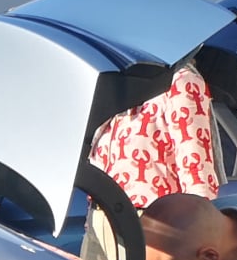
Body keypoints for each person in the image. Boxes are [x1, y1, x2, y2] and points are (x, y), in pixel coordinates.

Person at [87, 64, 215, 210]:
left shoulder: (179, 81)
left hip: (153, 216)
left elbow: (196, 169)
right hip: (101, 214)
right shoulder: (115, 86)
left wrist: (202, 218)